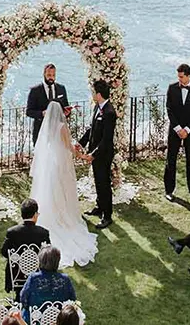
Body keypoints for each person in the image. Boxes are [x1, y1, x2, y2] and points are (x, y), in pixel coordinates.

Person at [31, 94, 98, 264]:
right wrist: (81, 155)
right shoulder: (62, 126)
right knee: (65, 186)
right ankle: (64, 216)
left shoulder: (48, 127)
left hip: (52, 162)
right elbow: (68, 146)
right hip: (62, 161)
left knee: (52, 188)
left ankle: (53, 213)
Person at [77, 79, 117, 229]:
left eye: (94, 92)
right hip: (96, 153)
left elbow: (106, 140)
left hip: (104, 154)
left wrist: (92, 154)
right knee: (98, 183)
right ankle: (99, 207)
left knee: (104, 184)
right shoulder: (97, 107)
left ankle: (107, 216)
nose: (92, 94)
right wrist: (81, 143)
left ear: (99, 94)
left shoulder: (109, 112)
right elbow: (91, 130)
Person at [164, 63, 190, 201]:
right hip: (175, 130)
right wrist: (178, 128)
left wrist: (187, 129)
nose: (179, 79)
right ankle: (169, 190)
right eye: (178, 77)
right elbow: (169, 108)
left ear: (188, 76)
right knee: (171, 159)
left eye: (182, 77)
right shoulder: (172, 88)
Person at [3, 198, 52, 297]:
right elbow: (48, 254)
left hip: (17, 276)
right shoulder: (43, 233)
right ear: (35, 215)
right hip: (37, 275)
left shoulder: (12, 232)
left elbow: (4, 252)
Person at [19, 246, 76, 323]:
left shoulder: (33, 278)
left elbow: (23, 299)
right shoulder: (65, 279)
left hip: (35, 320)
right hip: (58, 321)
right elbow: (72, 300)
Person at [25, 64, 70, 143]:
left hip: (57, 131)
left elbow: (65, 106)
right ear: (44, 74)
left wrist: (67, 113)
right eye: (49, 75)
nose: (51, 77)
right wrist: (42, 113)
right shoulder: (35, 90)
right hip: (40, 131)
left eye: (53, 75)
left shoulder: (61, 89)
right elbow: (29, 112)